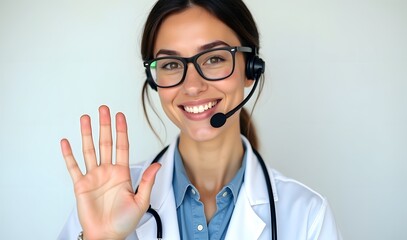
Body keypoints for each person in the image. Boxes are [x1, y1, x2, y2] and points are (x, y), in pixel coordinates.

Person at [58, 0, 342, 239]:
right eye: (171, 64)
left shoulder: (307, 214)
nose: (192, 86)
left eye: (214, 59)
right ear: (154, 80)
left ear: (251, 69)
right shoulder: (105, 199)